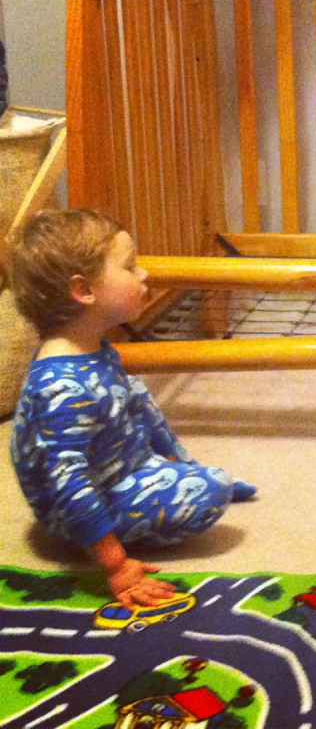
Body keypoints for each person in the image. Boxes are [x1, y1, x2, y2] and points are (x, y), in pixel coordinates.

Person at [6, 208, 257, 610]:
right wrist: (116, 566)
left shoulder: (91, 349)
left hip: (118, 465)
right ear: (83, 290)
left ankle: (182, 469)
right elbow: (68, 485)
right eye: (129, 266)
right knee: (214, 491)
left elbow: (126, 415)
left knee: (135, 392)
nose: (144, 274)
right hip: (80, 507)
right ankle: (126, 520)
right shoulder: (62, 388)